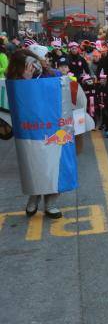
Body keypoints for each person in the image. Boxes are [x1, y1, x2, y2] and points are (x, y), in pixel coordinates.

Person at [5, 49, 65, 219]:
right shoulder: (14, 80)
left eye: (34, 61)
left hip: (53, 126)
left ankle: (51, 202)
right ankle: (34, 196)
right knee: (35, 164)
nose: (34, 66)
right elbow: (17, 104)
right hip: (31, 130)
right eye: (28, 65)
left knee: (54, 165)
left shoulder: (52, 74)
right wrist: (26, 83)